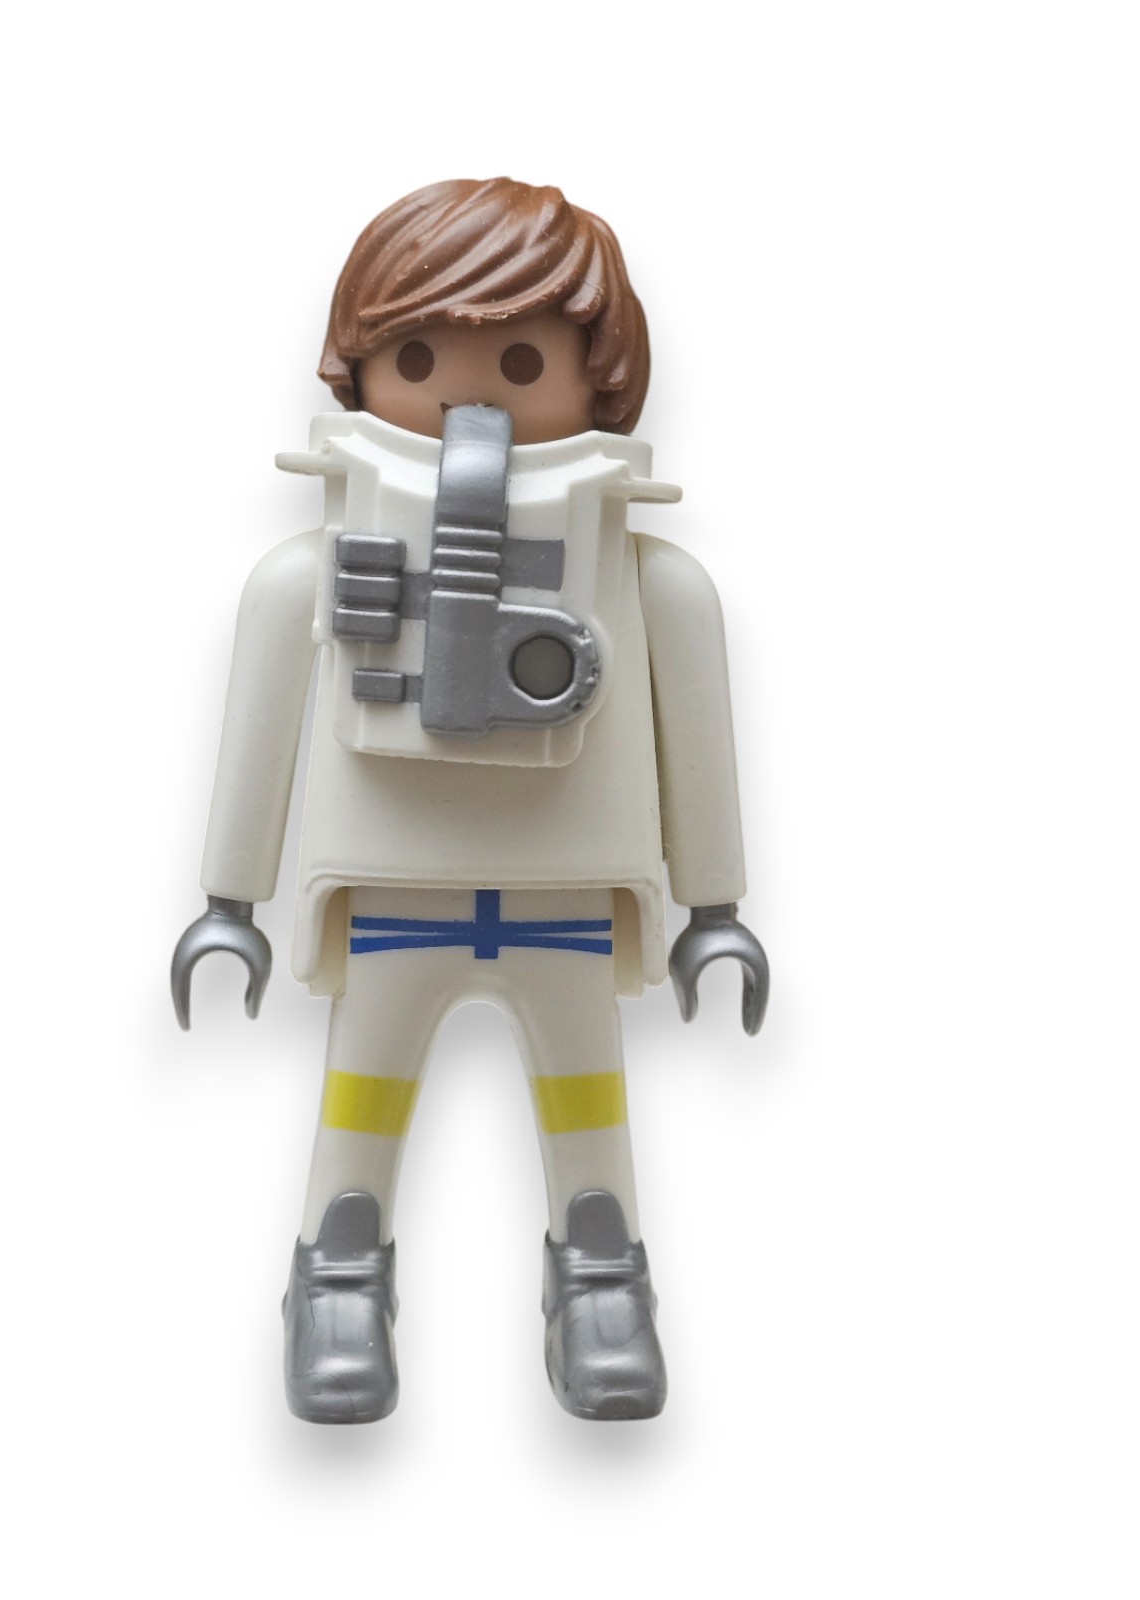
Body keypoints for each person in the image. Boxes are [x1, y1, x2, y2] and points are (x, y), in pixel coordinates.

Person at [172, 178, 768, 1423]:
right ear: (356, 369)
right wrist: (229, 900)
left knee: (589, 1113)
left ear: (603, 379)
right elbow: (260, 736)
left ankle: (600, 1287)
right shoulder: (301, 579)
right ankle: (339, 1282)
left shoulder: (655, 588)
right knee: (362, 1102)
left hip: (569, 899)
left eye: (522, 360)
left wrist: (715, 909)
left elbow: (698, 743)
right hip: (393, 895)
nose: (469, 399)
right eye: (416, 357)